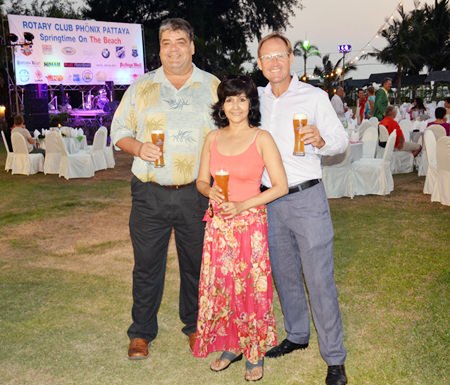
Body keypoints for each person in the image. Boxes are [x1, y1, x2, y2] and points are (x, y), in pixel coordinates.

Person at [110, 18, 220, 360]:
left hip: (196, 192)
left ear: (192, 46)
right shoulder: (141, 87)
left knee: (196, 263)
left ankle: (195, 325)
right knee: (146, 266)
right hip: (150, 193)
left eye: (180, 41)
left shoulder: (213, 86)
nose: (173, 48)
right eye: (166, 42)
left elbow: (232, 133)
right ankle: (141, 333)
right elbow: (119, 132)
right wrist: (138, 147)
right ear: (159, 49)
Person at [256, 32, 348, 385]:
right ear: (260, 63)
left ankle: (335, 358)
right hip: (270, 200)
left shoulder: (314, 96)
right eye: (267, 57)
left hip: (307, 198)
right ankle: (296, 334)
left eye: (280, 55)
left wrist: (321, 141)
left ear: (291, 58)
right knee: (285, 273)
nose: (274, 62)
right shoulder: (257, 99)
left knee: (319, 279)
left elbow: (339, 143)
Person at [192, 75, 288, 382]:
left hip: (250, 224)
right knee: (222, 286)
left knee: (250, 287)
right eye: (230, 99)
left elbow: (281, 187)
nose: (235, 106)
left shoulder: (262, 138)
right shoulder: (212, 138)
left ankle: (254, 350)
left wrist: (244, 205)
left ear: (251, 104)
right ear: (221, 105)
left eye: (242, 99)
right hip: (219, 225)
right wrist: (210, 192)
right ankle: (232, 344)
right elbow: (201, 181)